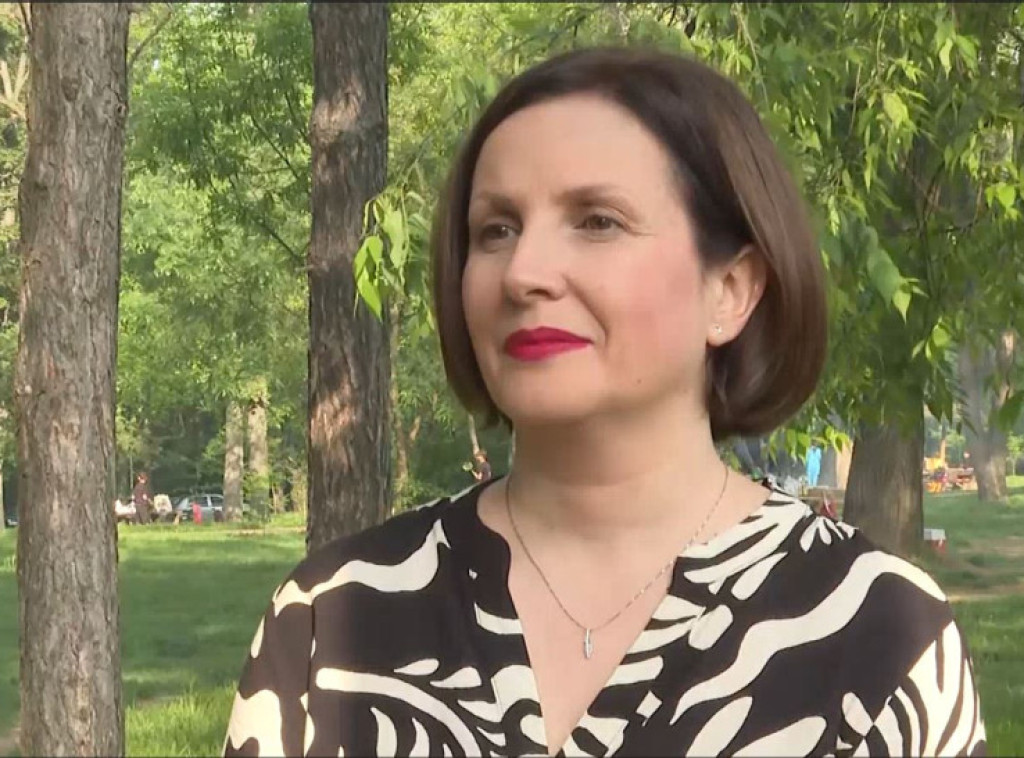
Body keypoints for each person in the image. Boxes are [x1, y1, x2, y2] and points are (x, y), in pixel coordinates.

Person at [224, 47, 985, 757]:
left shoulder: (882, 635)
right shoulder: (332, 618)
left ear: (730, 290)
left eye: (597, 222)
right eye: (496, 230)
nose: (524, 271)